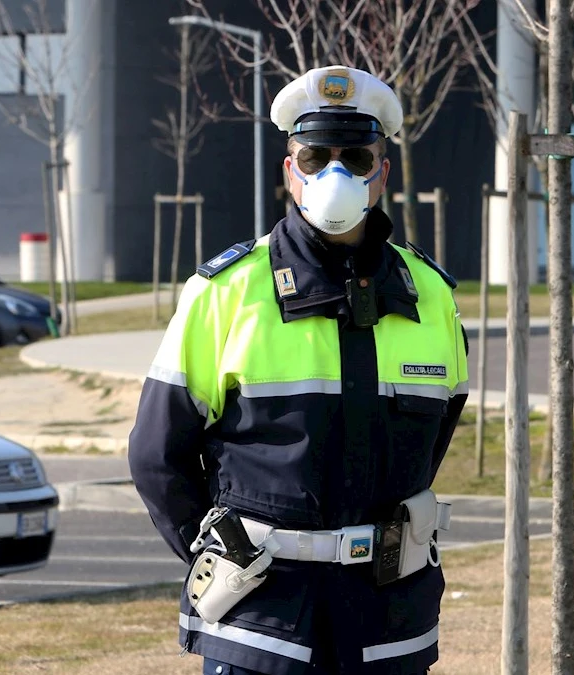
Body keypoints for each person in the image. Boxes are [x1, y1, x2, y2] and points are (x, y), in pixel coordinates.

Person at [128, 64, 469, 675]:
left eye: (356, 159)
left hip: (389, 620)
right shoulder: (225, 292)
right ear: (290, 171)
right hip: (263, 623)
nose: (333, 173)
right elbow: (158, 453)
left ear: (382, 173)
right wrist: (217, 553)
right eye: (314, 156)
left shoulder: (431, 294)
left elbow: (437, 432)